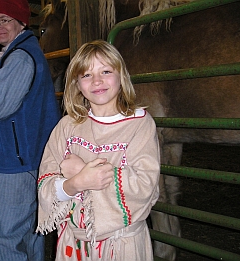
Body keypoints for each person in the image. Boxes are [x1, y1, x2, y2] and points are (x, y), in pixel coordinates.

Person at [36, 40, 161, 261]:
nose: (97, 81)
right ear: (77, 83)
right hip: (73, 246)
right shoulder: (67, 127)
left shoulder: (139, 125)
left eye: (106, 71)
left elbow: (144, 187)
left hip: (122, 245)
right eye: (86, 75)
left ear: (121, 77)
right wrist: (76, 183)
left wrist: (83, 170)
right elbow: (46, 185)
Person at [0, 0, 61, 260]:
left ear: (22, 22)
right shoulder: (26, 53)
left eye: (5, 19)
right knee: (27, 237)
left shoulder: (19, 57)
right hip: (26, 161)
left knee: (1, 240)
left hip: (9, 166)